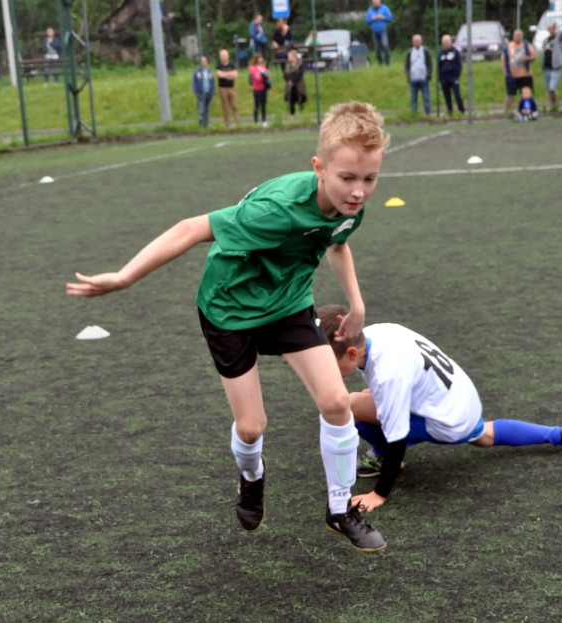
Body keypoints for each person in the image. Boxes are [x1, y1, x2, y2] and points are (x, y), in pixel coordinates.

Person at [66, 102, 392, 553]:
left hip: (288, 302)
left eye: (369, 179)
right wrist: (124, 276)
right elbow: (190, 228)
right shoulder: (276, 211)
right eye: (347, 178)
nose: (358, 191)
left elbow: (337, 242)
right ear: (319, 168)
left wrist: (356, 303)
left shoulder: (349, 207)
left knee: (337, 400)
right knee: (253, 426)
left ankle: (340, 510)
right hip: (230, 309)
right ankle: (251, 477)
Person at [314, 306, 562, 512]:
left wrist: (379, 495)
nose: (320, 370)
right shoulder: (378, 333)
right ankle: (561, 434)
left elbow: (397, 437)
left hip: (446, 421)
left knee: (349, 405)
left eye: (326, 363)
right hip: (462, 403)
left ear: (351, 353)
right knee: (484, 435)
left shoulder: (389, 373)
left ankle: (383, 461)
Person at [502, 29, 536, 116]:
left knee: (526, 94)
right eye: (516, 35)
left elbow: (533, 56)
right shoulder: (508, 47)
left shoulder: (527, 45)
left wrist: (527, 58)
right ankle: (506, 111)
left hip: (525, 74)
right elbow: (503, 60)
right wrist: (506, 73)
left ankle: (525, 110)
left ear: (522, 36)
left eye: (519, 35)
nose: (518, 37)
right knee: (510, 94)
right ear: (513, 36)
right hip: (512, 75)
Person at [404, 34, 433, 116]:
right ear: (412, 42)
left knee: (426, 97)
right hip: (413, 79)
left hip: (424, 78)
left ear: (421, 41)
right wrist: (408, 76)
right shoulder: (410, 52)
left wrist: (428, 75)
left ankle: (428, 113)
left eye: (418, 41)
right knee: (413, 98)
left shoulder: (425, 51)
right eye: (415, 41)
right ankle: (414, 114)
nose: (417, 42)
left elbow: (430, 64)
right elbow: (406, 66)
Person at [437, 34, 465, 116]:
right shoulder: (440, 53)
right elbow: (439, 66)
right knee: (447, 96)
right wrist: (440, 77)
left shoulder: (455, 52)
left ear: (450, 42)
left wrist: (456, 76)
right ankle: (450, 111)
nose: (445, 43)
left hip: (453, 77)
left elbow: (459, 65)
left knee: (457, 94)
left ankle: (462, 110)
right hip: (444, 78)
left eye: (447, 42)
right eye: (444, 42)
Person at [540, 22, 562, 110]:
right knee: (549, 89)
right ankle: (552, 104)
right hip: (546, 67)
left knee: (552, 87)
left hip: (555, 67)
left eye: (553, 29)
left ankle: (555, 104)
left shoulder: (558, 39)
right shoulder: (546, 40)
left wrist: (557, 25)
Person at [215, 49, 240, 127]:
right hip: (223, 88)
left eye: (225, 55)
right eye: (222, 56)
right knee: (225, 107)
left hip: (231, 88)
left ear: (228, 56)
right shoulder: (219, 66)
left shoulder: (232, 65)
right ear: (220, 57)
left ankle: (238, 123)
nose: (224, 57)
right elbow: (219, 75)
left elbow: (235, 75)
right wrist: (229, 74)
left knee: (235, 106)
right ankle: (227, 124)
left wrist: (225, 74)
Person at [366, 0, 394, 65]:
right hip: (374, 32)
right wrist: (372, 19)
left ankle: (387, 63)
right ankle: (380, 63)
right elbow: (367, 21)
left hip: (383, 30)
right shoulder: (370, 10)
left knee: (385, 45)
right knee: (377, 48)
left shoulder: (385, 8)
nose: (375, 3)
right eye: (374, 2)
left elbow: (390, 18)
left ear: (380, 1)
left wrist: (382, 17)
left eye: (376, 1)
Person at [248, 52, 271, 127]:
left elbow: (268, 75)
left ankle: (264, 120)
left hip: (264, 87)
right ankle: (256, 120)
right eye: (260, 58)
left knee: (264, 104)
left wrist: (265, 76)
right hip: (257, 88)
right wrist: (262, 75)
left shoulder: (263, 67)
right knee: (257, 104)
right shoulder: (252, 67)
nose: (261, 59)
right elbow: (256, 77)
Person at [192, 55, 215, 128]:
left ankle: (207, 124)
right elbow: (195, 83)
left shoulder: (209, 71)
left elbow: (212, 82)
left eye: (204, 61)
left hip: (208, 93)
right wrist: (197, 92)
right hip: (201, 94)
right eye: (201, 61)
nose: (203, 63)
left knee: (207, 110)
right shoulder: (197, 72)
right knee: (201, 110)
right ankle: (201, 124)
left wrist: (212, 91)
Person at [283, 49, 308, 116]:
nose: (288, 58)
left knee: (299, 97)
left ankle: (302, 109)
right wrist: (288, 80)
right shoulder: (287, 65)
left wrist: (293, 81)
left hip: (298, 83)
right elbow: (285, 74)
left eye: (290, 57)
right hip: (290, 84)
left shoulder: (300, 65)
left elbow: (299, 75)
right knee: (291, 99)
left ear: (294, 57)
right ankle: (292, 115)